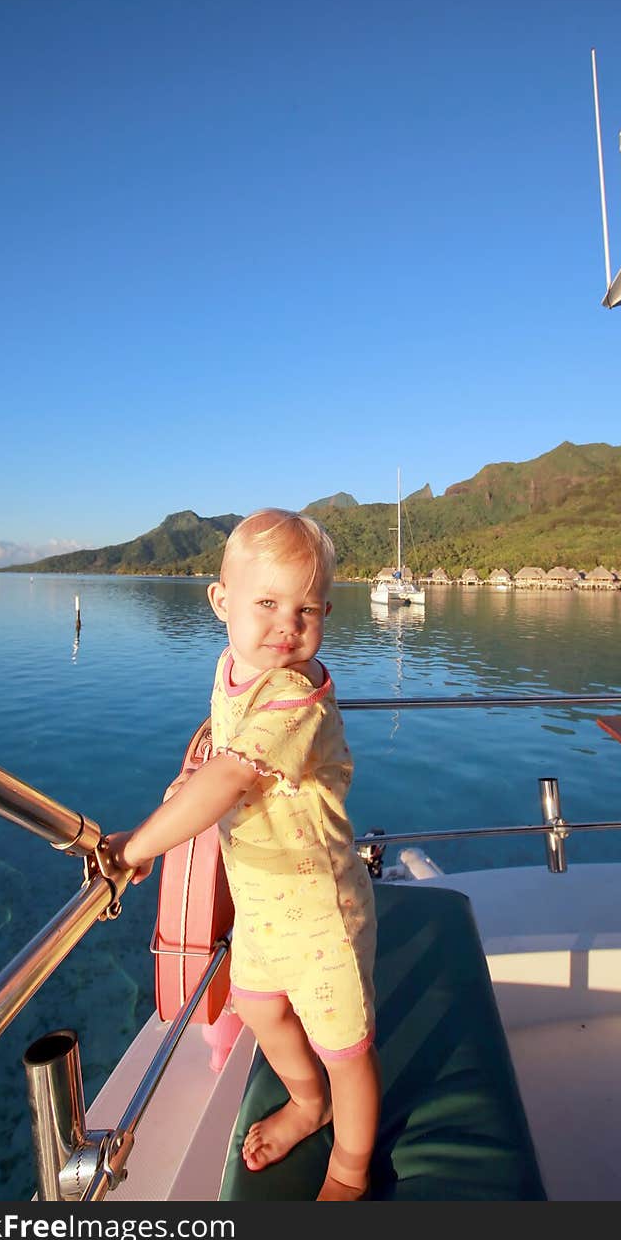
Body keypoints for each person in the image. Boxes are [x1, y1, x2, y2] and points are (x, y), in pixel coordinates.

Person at [106, 509, 380, 1201]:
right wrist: (186, 783)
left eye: (307, 610)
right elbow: (219, 754)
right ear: (221, 602)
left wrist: (138, 847)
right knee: (258, 1006)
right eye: (267, 604)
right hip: (262, 900)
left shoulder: (295, 694)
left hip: (319, 910)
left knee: (344, 1048)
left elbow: (231, 777)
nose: (287, 626)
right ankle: (306, 1103)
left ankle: (349, 1166)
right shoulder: (234, 667)